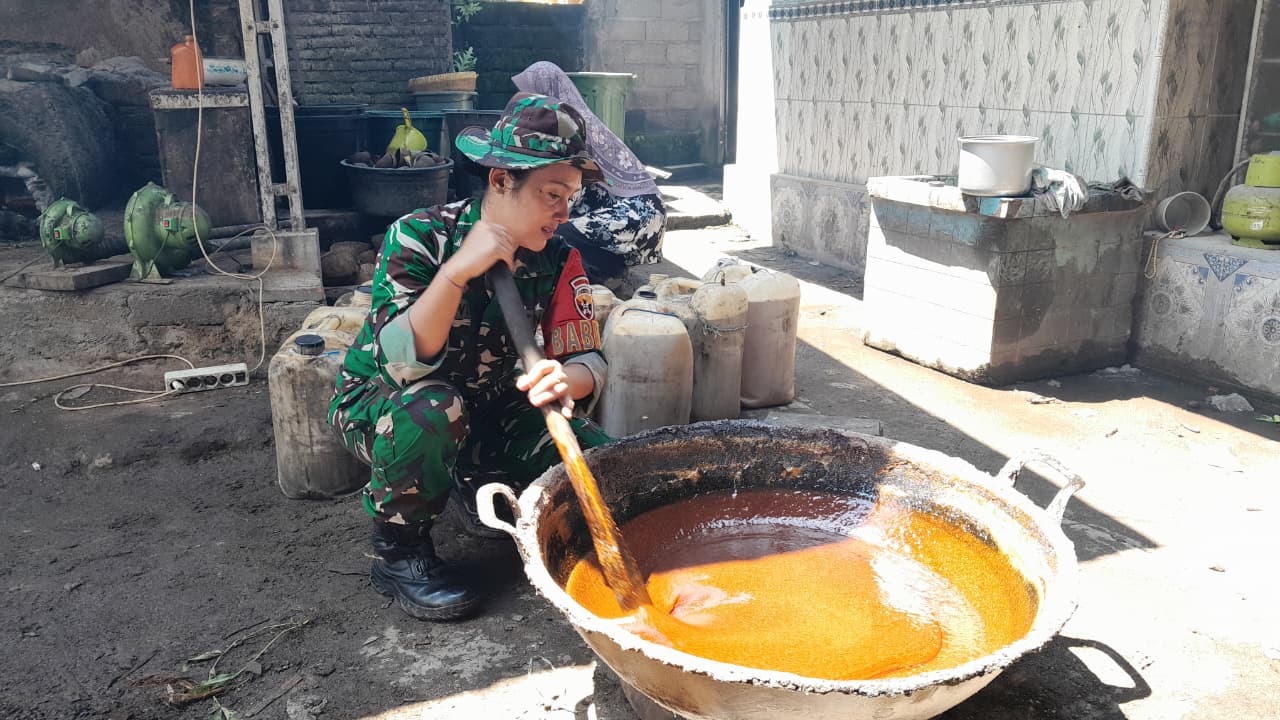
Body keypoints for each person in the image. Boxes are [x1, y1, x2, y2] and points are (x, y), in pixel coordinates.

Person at [327, 93, 612, 622]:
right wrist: (457, 271)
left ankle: (472, 476)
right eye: (552, 195)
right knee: (436, 410)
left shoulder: (558, 258)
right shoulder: (418, 236)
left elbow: (588, 358)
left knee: (600, 460)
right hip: (389, 405)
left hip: (492, 404)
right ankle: (399, 551)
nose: (564, 212)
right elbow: (403, 362)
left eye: (570, 197)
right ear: (501, 180)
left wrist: (564, 378)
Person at [513, 61, 666, 289]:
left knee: (558, 233)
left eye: (531, 92)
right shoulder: (559, 126)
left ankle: (588, 280)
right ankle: (605, 271)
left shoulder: (572, 129)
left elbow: (570, 189)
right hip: (615, 210)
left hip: (639, 213)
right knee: (555, 230)